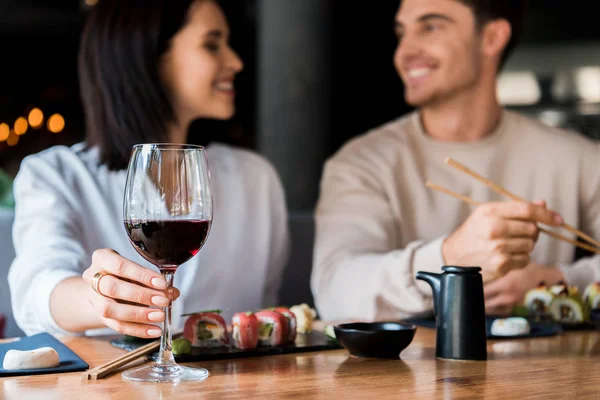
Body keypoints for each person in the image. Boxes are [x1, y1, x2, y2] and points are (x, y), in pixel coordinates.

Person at [9, 0, 289, 338]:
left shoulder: (255, 178)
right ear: (149, 57)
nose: (235, 61)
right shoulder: (55, 174)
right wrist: (99, 298)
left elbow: (267, 316)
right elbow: (36, 290)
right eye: (212, 44)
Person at [312, 0, 600, 321]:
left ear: (492, 38)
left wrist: (556, 282)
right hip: (412, 371)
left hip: (552, 370)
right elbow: (335, 292)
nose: (403, 53)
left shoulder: (576, 157)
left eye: (431, 27)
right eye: (402, 33)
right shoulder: (361, 163)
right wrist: (449, 258)